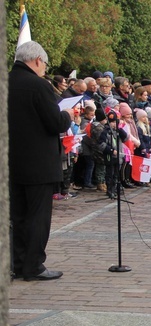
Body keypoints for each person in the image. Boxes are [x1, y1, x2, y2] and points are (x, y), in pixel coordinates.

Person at [9, 42, 76, 281]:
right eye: (45, 64)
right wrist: (67, 115)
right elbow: (55, 123)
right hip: (38, 163)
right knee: (38, 216)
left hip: (11, 161)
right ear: (38, 60)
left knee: (17, 216)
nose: (45, 68)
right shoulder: (39, 86)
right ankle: (34, 266)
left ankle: (17, 264)